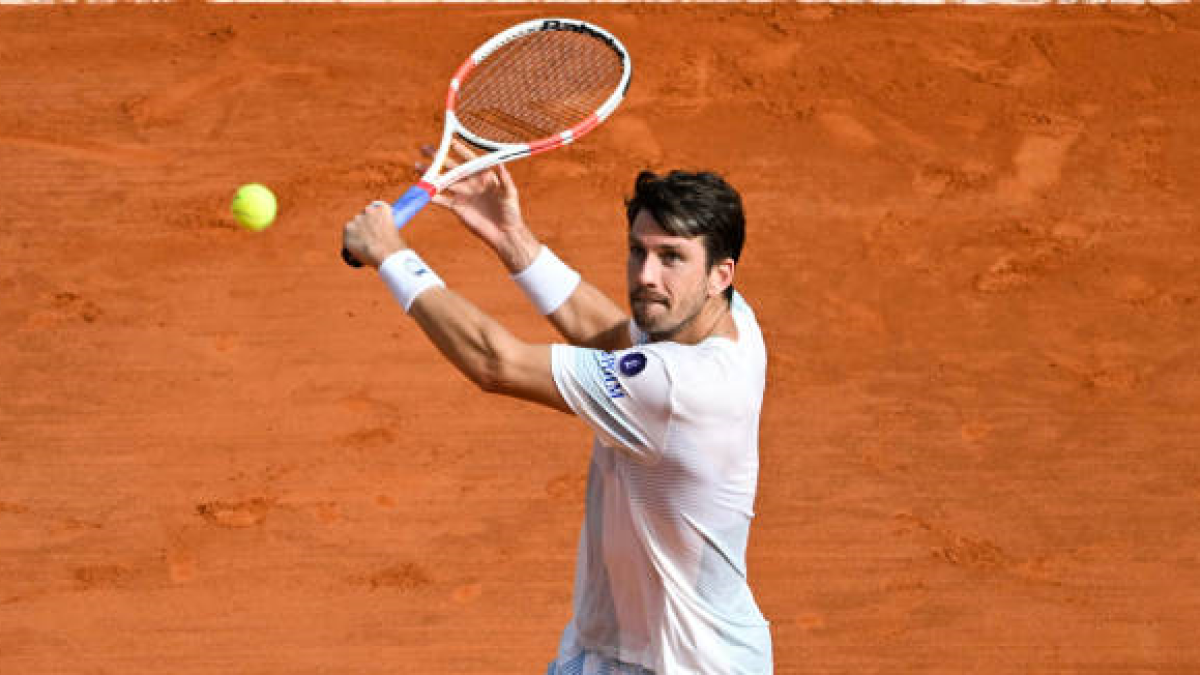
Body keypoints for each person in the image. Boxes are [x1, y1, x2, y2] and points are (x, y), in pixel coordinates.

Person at [342, 152, 773, 675]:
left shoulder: (679, 387)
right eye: (638, 251)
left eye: (671, 258)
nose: (646, 276)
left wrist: (392, 256)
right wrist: (511, 239)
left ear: (720, 274)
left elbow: (496, 362)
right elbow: (616, 337)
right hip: (610, 653)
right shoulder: (730, 320)